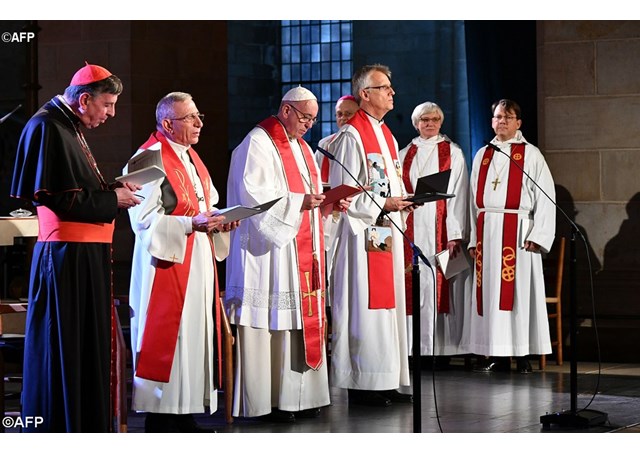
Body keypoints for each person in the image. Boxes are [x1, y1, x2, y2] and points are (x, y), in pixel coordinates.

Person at [10, 62, 140, 432]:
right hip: (65, 258)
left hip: (83, 256)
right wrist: (111, 200)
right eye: (108, 104)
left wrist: (113, 191)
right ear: (84, 99)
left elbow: (76, 189)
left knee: (82, 348)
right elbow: (58, 200)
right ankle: (57, 427)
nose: (111, 114)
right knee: (62, 346)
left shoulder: (67, 125)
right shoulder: (47, 127)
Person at [225, 86, 350, 422]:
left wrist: (328, 202)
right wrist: (299, 203)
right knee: (270, 324)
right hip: (268, 256)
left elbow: (307, 195)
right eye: (306, 117)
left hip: (297, 252)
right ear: (286, 110)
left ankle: (300, 398)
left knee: (296, 321)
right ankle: (266, 402)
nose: (309, 124)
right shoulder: (258, 143)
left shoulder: (304, 149)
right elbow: (253, 198)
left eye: (313, 118)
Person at [126, 92, 237, 432]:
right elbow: (143, 221)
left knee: (193, 337)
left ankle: (185, 412)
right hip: (167, 264)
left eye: (198, 115)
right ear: (168, 123)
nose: (200, 123)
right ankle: (162, 418)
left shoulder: (190, 158)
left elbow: (207, 203)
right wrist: (193, 224)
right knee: (171, 340)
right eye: (191, 118)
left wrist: (221, 219)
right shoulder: (147, 160)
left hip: (197, 258)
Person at [328, 64, 416, 407]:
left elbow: (389, 180)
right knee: (366, 307)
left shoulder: (387, 135)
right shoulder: (352, 136)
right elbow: (343, 193)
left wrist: (404, 202)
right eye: (384, 88)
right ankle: (364, 383)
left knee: (386, 307)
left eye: (391, 88)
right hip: (362, 236)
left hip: (383, 231)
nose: (392, 93)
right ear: (365, 94)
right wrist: (385, 203)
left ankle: (386, 379)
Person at [462, 99, 556, 374]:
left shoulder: (531, 155)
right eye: (497, 117)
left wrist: (538, 234)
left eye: (507, 117)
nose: (501, 121)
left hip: (518, 233)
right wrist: (472, 238)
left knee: (517, 295)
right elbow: (471, 201)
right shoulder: (483, 154)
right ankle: (498, 353)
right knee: (491, 296)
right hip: (487, 232)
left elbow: (546, 197)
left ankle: (522, 354)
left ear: (518, 123)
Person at [399, 101, 471, 367]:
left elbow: (459, 193)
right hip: (411, 226)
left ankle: (440, 349)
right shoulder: (404, 152)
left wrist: (455, 232)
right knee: (414, 285)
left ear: (441, 122)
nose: (430, 124)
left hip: (441, 226)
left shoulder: (452, 152)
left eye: (435, 119)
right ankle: (413, 348)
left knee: (439, 284)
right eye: (424, 120)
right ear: (416, 123)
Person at [316, 95, 359, 184]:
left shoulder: (363, 141)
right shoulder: (324, 144)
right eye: (339, 114)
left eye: (348, 114)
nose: (343, 118)